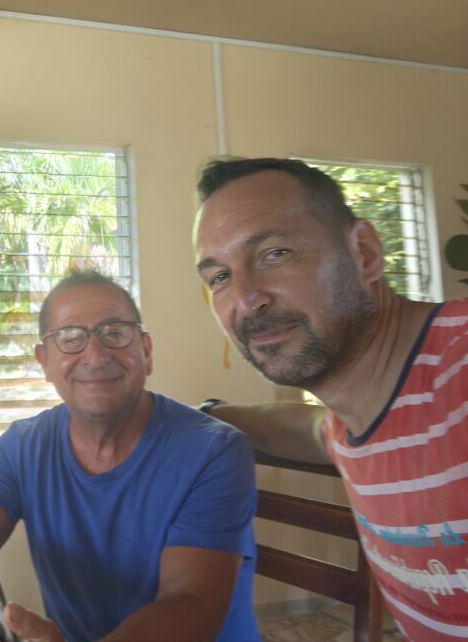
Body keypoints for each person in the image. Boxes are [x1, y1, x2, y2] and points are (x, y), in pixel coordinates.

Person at [0, 270, 259, 642]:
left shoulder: (215, 451)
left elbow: (190, 603)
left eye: (114, 333)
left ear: (146, 352)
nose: (96, 356)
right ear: (45, 361)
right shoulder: (23, 446)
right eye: (70, 339)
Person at [193, 156, 468, 641]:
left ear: (364, 253)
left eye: (275, 253)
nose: (246, 300)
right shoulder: (352, 419)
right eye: (219, 277)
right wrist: (204, 415)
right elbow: (306, 428)